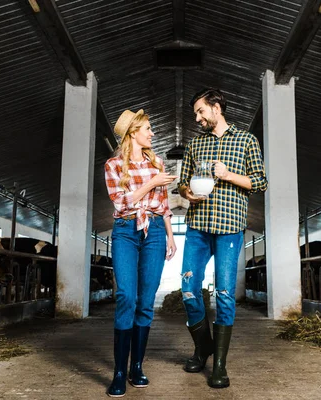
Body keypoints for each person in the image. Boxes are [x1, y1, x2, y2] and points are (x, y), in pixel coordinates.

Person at [178, 88, 267, 388]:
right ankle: (203, 346)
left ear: (217, 108)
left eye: (201, 111)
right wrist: (187, 193)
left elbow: (260, 181)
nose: (198, 118)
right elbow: (182, 183)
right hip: (198, 226)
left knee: (225, 295)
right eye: (195, 114)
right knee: (188, 288)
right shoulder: (194, 144)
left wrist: (228, 175)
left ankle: (219, 364)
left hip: (230, 227)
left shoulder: (246, 140)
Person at [104, 109, 178, 397]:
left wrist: (171, 236)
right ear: (133, 132)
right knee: (126, 296)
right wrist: (150, 183)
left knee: (146, 301)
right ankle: (119, 372)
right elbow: (121, 203)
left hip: (156, 231)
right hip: (125, 229)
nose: (152, 133)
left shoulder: (157, 162)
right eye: (147, 128)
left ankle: (136, 367)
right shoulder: (113, 166)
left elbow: (163, 205)